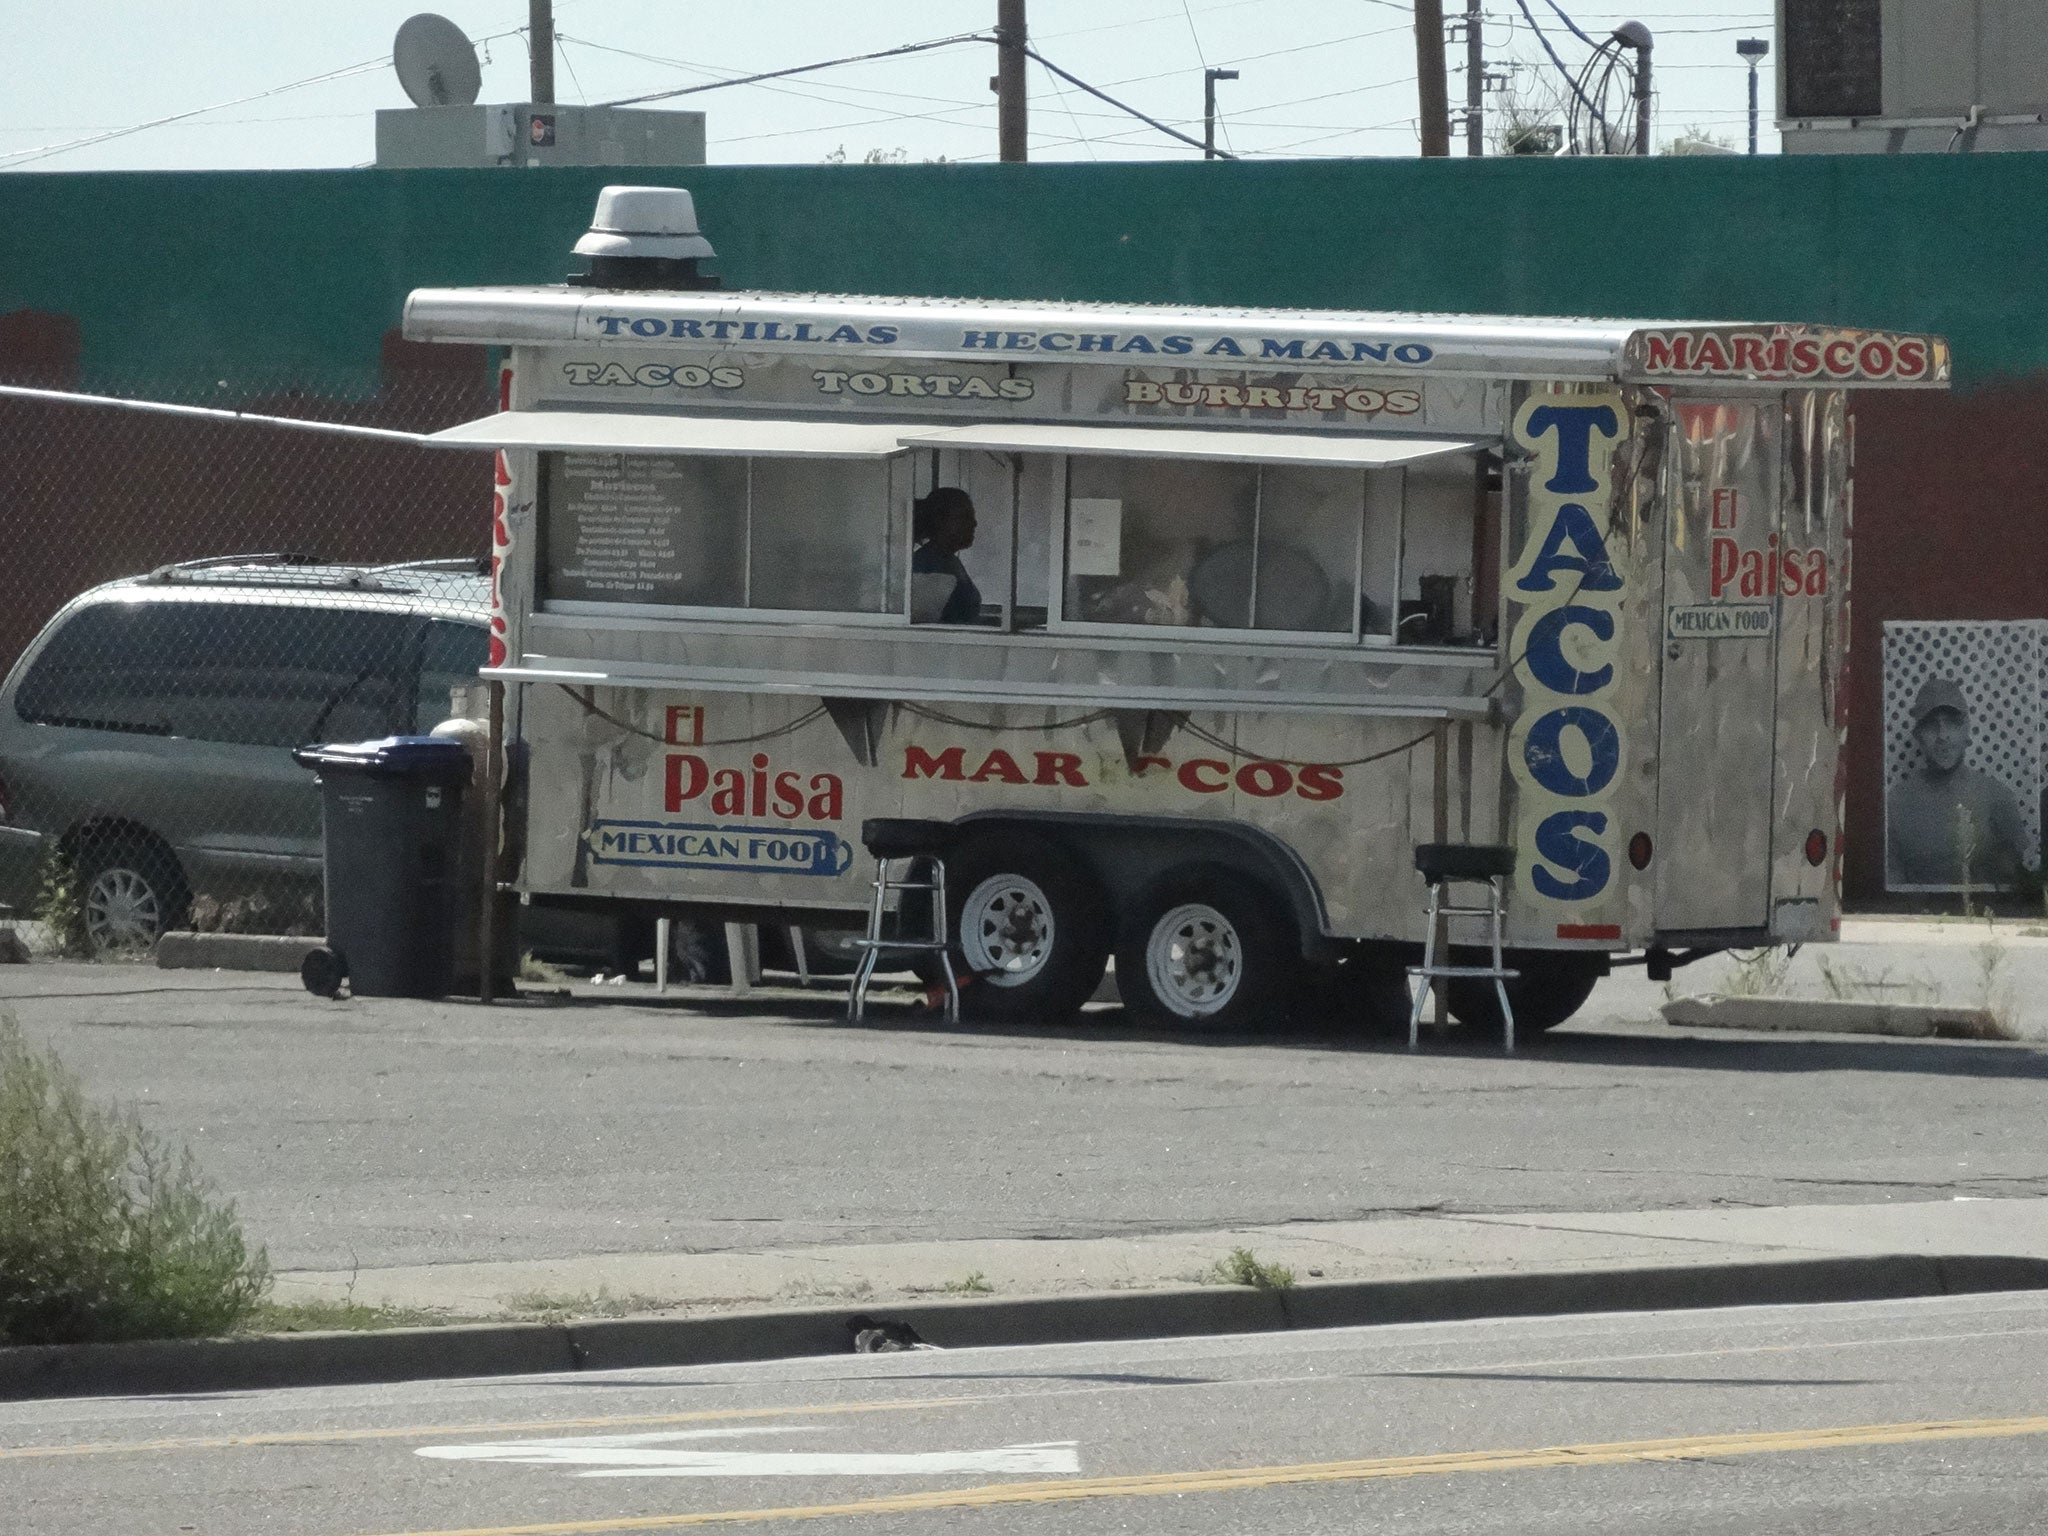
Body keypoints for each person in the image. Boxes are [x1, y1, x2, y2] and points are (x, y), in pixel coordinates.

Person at [1886, 675, 2029, 888]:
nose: (1943, 735)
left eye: (1951, 723)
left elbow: (2017, 882)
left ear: (1966, 730)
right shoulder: (1896, 803)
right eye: (1931, 725)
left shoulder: (1996, 796)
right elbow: (1892, 883)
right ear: (1918, 736)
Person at [910, 486, 982, 624]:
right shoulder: (928, 565)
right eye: (965, 517)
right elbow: (925, 628)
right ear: (940, 521)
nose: (974, 523)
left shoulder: (948, 560)